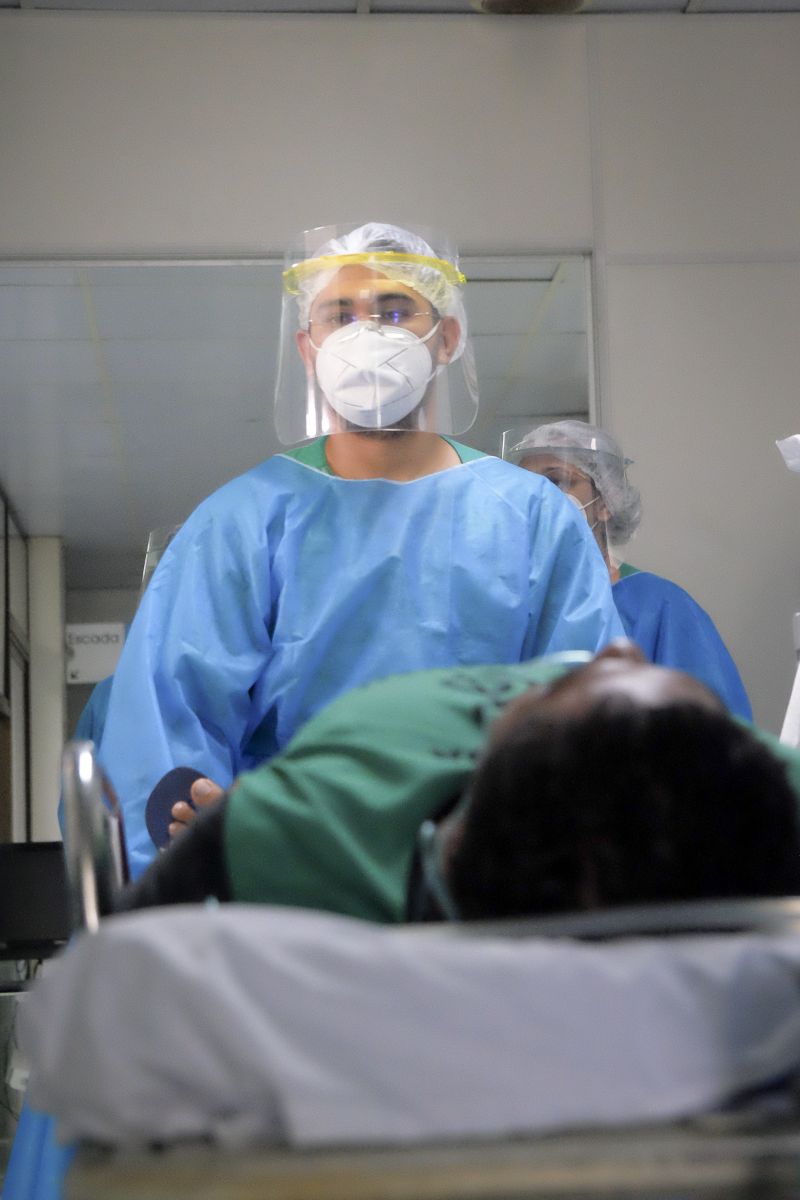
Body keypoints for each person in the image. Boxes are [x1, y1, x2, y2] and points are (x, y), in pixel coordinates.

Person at [97, 224, 622, 877]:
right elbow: (166, 737)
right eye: (339, 315)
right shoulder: (244, 522)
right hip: (295, 896)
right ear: (308, 346)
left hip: (487, 894)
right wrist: (199, 864)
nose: (367, 333)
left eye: (395, 311)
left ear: (448, 337)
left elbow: (594, 726)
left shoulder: (534, 520)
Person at [116, 640, 800, 922]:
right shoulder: (759, 777)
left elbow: (127, 965)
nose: (618, 646)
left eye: (581, 677)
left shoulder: (318, 816)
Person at [508, 419, 752, 720]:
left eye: (557, 480)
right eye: (523, 483)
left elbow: (715, 734)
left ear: (606, 501)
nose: (536, 496)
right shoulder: (509, 603)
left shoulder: (660, 607)